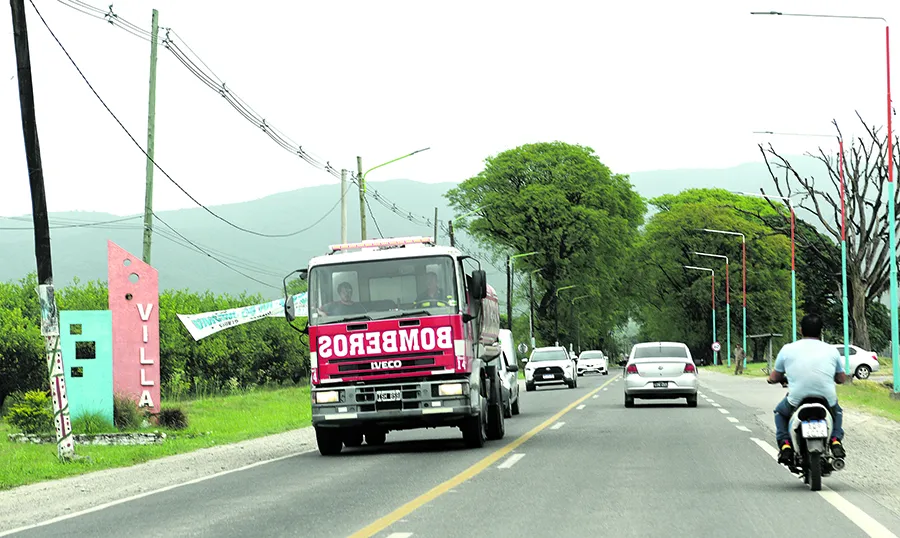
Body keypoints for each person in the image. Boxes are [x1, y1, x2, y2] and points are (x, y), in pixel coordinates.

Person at [766, 313, 846, 466]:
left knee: (780, 412)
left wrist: (771, 380)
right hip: (826, 398)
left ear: (801, 330)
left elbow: (775, 376)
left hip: (797, 398)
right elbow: (841, 378)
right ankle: (835, 440)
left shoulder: (787, 349)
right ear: (821, 331)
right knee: (837, 412)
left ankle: (785, 444)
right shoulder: (832, 350)